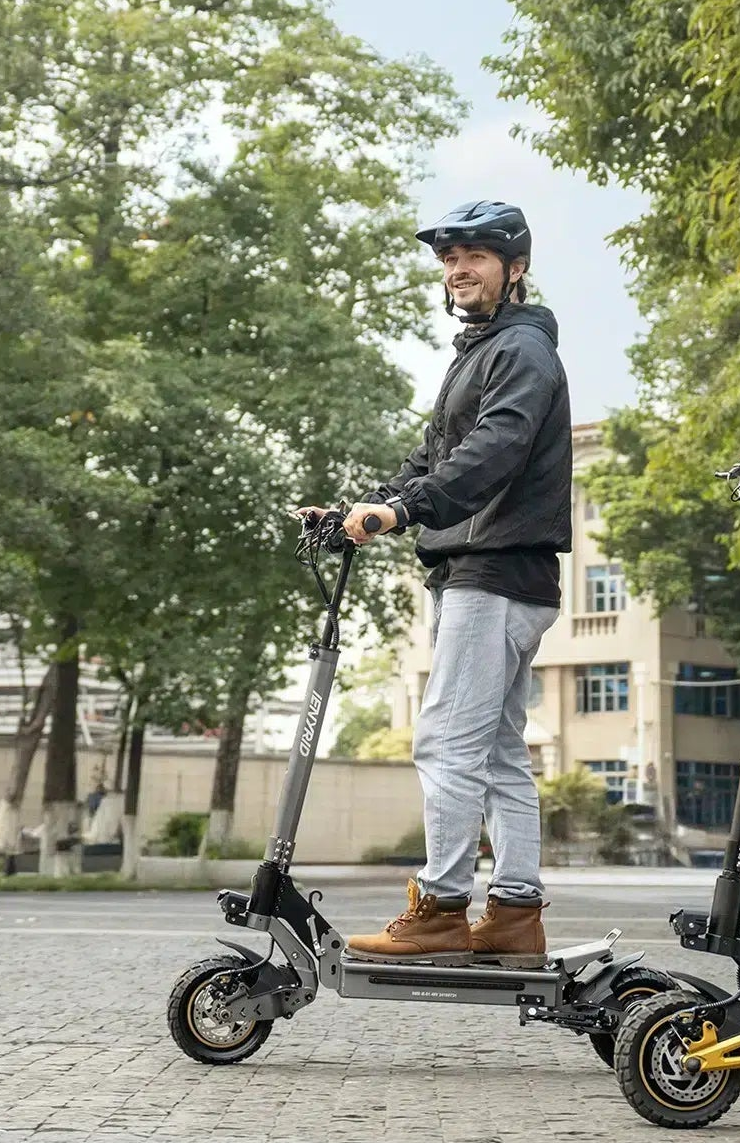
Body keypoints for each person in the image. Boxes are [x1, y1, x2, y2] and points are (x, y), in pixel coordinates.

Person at [302, 199, 572, 966]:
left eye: (475, 257)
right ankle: (516, 915)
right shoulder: (483, 351)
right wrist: (367, 506)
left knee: (446, 743)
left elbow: (492, 452)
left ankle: (442, 907)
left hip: (494, 572)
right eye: (449, 259)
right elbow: (431, 457)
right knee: (496, 754)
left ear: (513, 268)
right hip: (495, 573)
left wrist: (406, 508)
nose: (458, 270)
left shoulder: (521, 352)